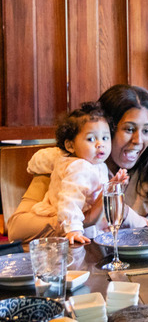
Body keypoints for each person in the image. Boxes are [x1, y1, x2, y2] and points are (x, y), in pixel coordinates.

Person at [8, 85, 148, 242]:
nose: (138, 140)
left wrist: (128, 217)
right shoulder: (64, 163)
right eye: (129, 129)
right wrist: (81, 221)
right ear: (106, 127)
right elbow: (17, 229)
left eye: (147, 130)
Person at [29, 102, 127, 244]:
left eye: (105, 138)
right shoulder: (79, 167)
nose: (100, 144)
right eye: (91, 139)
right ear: (70, 145)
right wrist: (73, 229)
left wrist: (112, 184)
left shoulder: (97, 164)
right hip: (75, 229)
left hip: (89, 226)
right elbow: (70, 199)